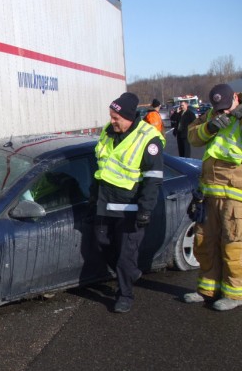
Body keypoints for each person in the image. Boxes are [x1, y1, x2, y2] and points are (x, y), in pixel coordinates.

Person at [90, 92, 165, 313]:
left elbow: (153, 179)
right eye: (111, 116)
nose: (112, 121)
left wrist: (146, 210)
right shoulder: (108, 131)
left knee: (125, 255)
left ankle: (125, 294)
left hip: (131, 208)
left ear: (130, 117)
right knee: (100, 243)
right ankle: (131, 273)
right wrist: (93, 200)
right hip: (106, 202)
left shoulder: (148, 139)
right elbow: (102, 167)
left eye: (116, 118)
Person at [183, 83, 242, 310]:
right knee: (205, 242)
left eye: (226, 107)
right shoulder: (211, 114)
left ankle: (235, 293)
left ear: (235, 98)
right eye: (219, 108)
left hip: (235, 194)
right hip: (209, 191)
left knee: (233, 244)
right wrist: (211, 126)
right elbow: (193, 137)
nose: (223, 112)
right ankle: (208, 289)